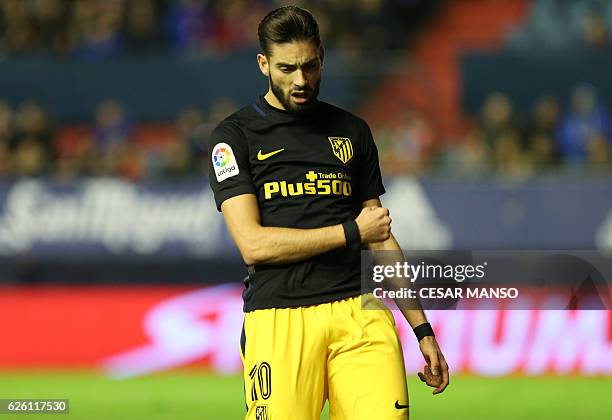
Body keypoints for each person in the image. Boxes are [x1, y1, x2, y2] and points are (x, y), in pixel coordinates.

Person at [208, 6, 449, 419]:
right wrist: (351, 231)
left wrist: (422, 329)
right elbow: (253, 245)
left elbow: (380, 235)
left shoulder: (352, 131)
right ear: (263, 64)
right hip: (279, 315)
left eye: (309, 66)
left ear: (321, 56)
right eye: (286, 68)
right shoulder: (234, 137)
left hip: (359, 310)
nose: (300, 80)